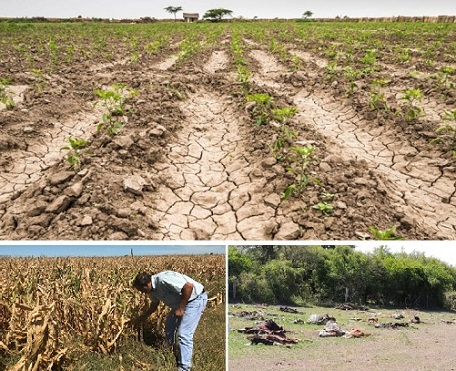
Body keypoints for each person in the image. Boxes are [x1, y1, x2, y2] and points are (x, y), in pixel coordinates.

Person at [132, 271, 207, 371]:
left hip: (194, 300)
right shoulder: (151, 290)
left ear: (146, 284)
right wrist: (144, 316)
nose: (142, 293)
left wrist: (181, 308)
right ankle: (168, 349)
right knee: (169, 325)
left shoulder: (163, 280)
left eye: (142, 290)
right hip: (180, 303)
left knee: (184, 333)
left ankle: (184, 367)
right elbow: (154, 305)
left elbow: (188, 287)